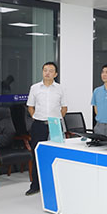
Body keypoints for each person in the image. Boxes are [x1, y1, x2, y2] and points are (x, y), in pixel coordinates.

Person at [25, 62, 68, 196]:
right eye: (45, 70)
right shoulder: (35, 88)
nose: (47, 73)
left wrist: (57, 119)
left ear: (55, 74)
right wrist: (36, 117)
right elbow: (30, 106)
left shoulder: (60, 88)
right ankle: (35, 185)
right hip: (39, 125)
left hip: (55, 125)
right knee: (37, 154)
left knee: (56, 154)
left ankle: (55, 184)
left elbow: (64, 108)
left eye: (50, 71)